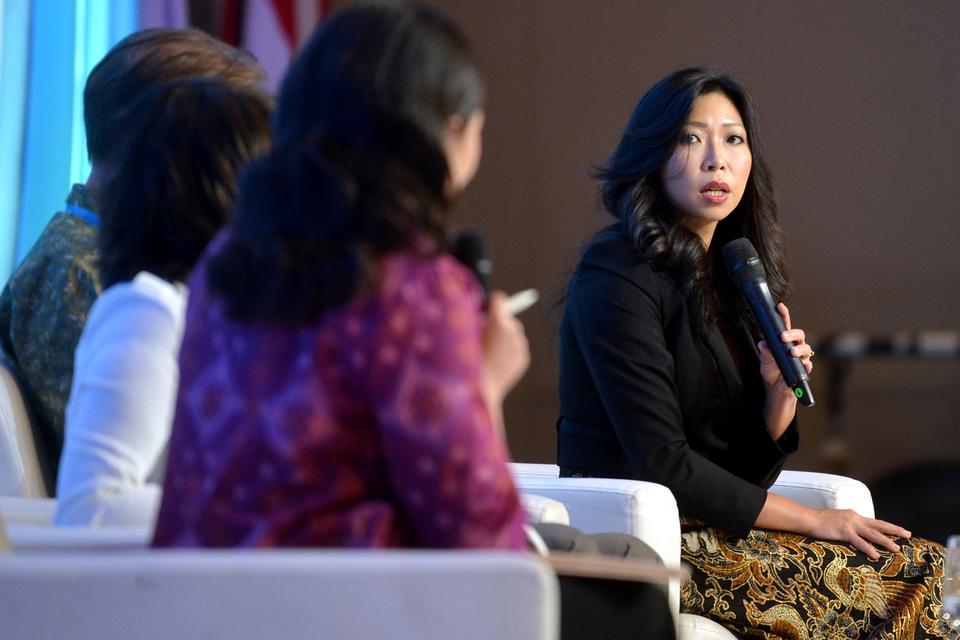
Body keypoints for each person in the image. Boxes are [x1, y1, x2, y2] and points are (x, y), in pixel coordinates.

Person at [152, 4, 673, 638]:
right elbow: (480, 537)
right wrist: (486, 383)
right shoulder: (413, 284)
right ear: (450, 130)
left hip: (204, 605)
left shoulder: (223, 263)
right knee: (635, 605)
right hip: (355, 604)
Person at [557, 66, 952, 639]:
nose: (716, 159)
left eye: (733, 139)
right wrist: (818, 522)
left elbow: (738, 475)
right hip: (645, 542)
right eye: (691, 138)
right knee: (903, 576)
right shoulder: (617, 274)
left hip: (710, 527)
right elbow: (665, 464)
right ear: (652, 153)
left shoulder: (727, 276)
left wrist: (776, 400)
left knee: (920, 567)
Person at [0, 29, 264, 491]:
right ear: (153, 144)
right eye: (220, 136)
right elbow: (141, 478)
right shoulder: (75, 275)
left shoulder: (126, 261)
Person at [54, 79, 272, 526]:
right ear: (223, 192)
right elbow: (88, 510)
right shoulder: (148, 315)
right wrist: (258, 513)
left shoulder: (205, 311)